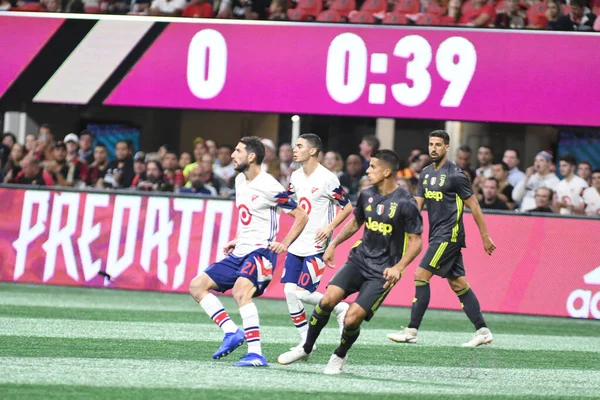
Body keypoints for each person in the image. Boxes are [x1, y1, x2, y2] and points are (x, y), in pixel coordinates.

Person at [277, 150, 423, 375]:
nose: (368, 170)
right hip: (359, 260)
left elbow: (416, 242)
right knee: (327, 301)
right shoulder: (367, 194)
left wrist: (399, 267)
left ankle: (339, 355)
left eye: (372, 167)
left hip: (382, 272)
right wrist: (333, 244)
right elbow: (356, 223)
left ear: (387, 171)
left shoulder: (406, 202)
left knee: (352, 319)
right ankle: (306, 348)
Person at [188, 136, 308, 367]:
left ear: (251, 157)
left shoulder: (270, 186)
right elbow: (249, 218)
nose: (232, 155)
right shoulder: (240, 180)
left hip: (261, 252)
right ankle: (232, 332)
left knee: (242, 292)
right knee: (197, 286)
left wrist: (284, 243)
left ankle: (256, 354)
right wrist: (237, 239)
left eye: (237, 151)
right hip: (241, 250)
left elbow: (301, 215)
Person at [387, 130, 496, 348]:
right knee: (458, 283)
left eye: (438, 145)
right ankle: (482, 331)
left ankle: (411, 330)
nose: (433, 148)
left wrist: (485, 236)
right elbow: (417, 204)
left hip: (449, 235)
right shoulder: (426, 173)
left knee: (420, 275)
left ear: (447, 147)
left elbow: (473, 205)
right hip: (436, 235)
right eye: (431, 144)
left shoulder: (456, 175)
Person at [279, 134, 354, 353]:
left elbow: (347, 207)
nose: (295, 150)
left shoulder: (327, 178)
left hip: (317, 244)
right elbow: (288, 199)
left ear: (312, 151)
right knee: (289, 291)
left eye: (299, 146)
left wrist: (329, 228)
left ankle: (339, 306)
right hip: (297, 242)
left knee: (302, 293)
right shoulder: (295, 176)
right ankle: (305, 340)